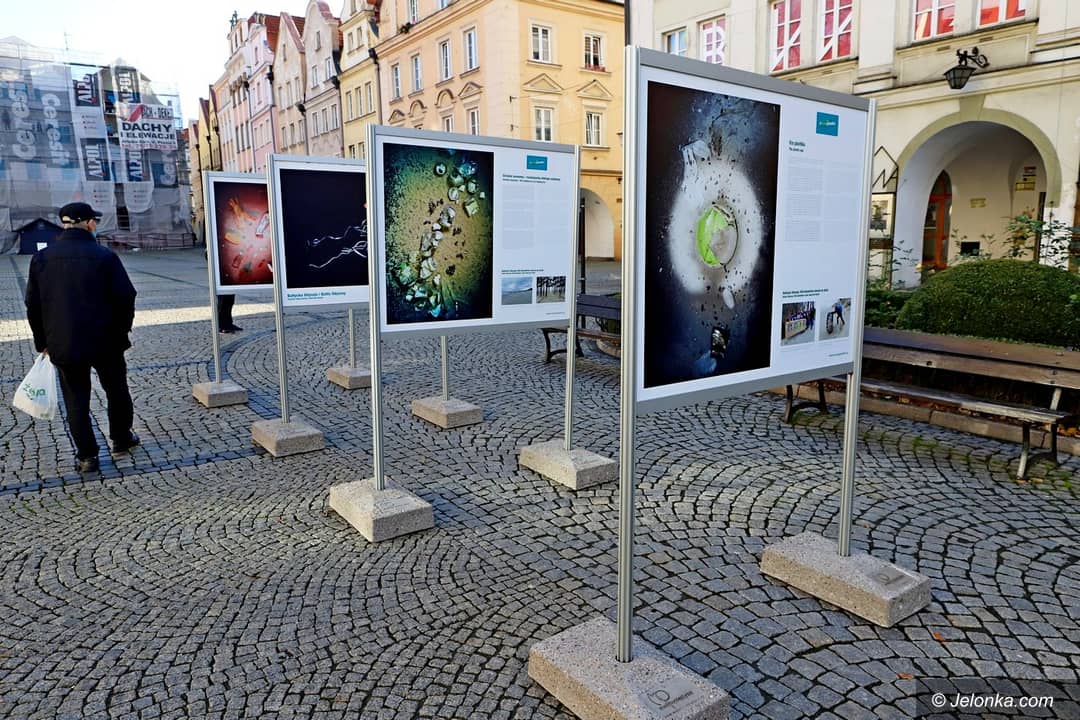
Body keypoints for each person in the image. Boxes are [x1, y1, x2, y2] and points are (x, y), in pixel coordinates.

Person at [25, 202, 140, 474]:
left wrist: (43, 342)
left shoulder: (42, 259)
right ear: (89, 223)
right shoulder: (105, 256)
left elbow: (33, 305)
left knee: (76, 399)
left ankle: (87, 456)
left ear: (64, 224)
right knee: (116, 390)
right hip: (106, 342)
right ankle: (121, 438)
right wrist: (122, 331)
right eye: (94, 221)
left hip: (64, 342)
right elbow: (126, 297)